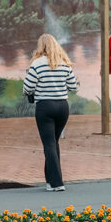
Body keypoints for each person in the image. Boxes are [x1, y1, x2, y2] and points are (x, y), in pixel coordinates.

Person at [23, 34, 78, 192]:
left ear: (41, 46)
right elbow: (73, 86)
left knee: (49, 144)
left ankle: (57, 183)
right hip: (62, 106)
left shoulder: (37, 64)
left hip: (45, 107)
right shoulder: (64, 64)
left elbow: (27, 87)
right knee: (53, 142)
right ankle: (50, 180)